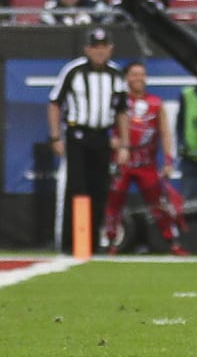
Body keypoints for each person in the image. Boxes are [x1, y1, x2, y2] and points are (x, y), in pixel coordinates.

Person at [48, 28, 127, 254]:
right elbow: (55, 103)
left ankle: (92, 243)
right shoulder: (73, 71)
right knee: (77, 188)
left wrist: (124, 144)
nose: (99, 52)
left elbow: (122, 111)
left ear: (110, 49)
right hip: (78, 136)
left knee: (99, 190)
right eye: (95, 47)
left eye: (103, 47)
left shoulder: (115, 74)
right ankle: (71, 243)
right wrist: (55, 136)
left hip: (102, 137)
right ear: (87, 49)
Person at [104, 62, 187, 257]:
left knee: (158, 204)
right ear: (126, 78)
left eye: (142, 74)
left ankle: (171, 242)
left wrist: (168, 161)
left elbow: (165, 133)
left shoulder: (156, 103)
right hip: (122, 162)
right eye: (134, 75)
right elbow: (103, 128)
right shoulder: (117, 101)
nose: (138, 79)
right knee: (114, 203)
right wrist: (112, 142)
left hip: (146, 163)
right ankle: (110, 242)